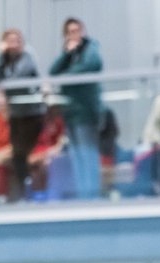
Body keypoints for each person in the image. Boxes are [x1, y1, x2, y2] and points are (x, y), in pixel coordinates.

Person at [49, 18, 104, 200]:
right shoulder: (68, 53)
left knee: (88, 155)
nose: (74, 35)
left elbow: (90, 66)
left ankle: (92, 195)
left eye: (77, 30)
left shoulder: (91, 48)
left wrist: (65, 76)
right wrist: (66, 54)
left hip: (86, 112)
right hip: (70, 112)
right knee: (77, 155)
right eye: (70, 32)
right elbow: (53, 71)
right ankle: (83, 194)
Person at [0, 28, 45, 198]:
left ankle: (36, 191)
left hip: (32, 113)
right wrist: (1, 56)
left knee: (27, 152)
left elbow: (17, 80)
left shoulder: (27, 57)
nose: (13, 44)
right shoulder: (5, 60)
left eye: (16, 41)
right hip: (16, 114)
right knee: (18, 154)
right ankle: (26, 189)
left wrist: (3, 89)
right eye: (10, 41)